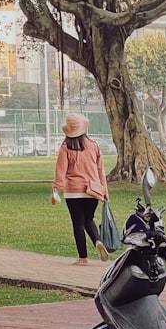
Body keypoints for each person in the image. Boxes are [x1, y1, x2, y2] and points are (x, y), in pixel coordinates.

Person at [51, 113, 109, 265]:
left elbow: (60, 171)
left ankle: (83, 257)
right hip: (93, 190)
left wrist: (56, 189)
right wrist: (104, 190)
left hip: (73, 191)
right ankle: (97, 241)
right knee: (89, 219)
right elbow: (100, 169)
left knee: (78, 223)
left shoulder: (66, 147)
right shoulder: (94, 145)